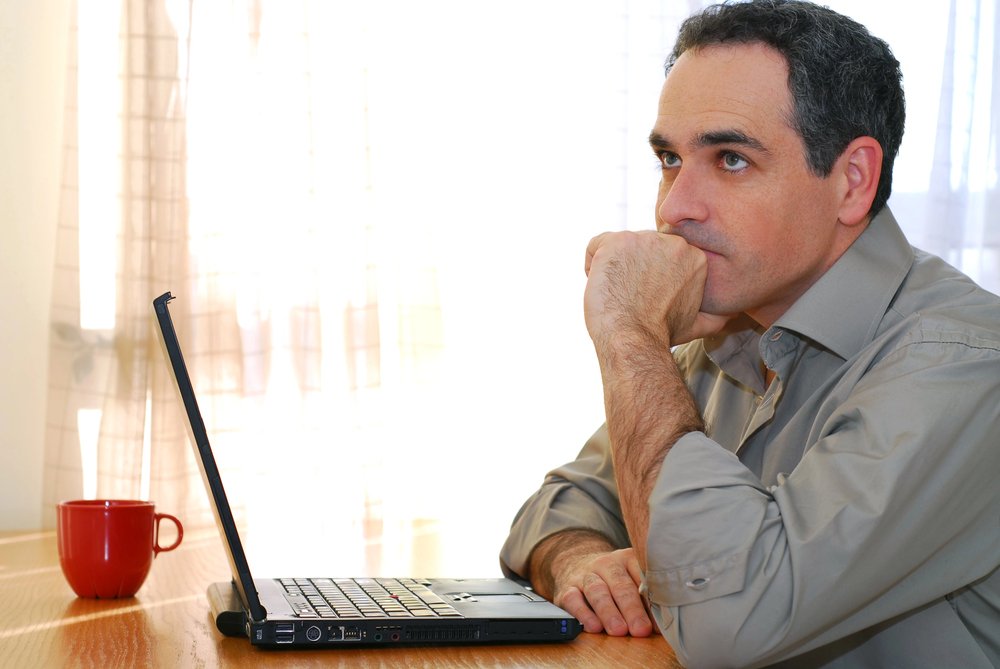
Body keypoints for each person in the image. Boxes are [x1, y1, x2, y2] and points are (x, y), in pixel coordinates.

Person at [499, 1, 1000, 667]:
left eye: (730, 159)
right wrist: (582, 560)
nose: (674, 207)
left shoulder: (960, 363)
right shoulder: (726, 330)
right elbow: (562, 502)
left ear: (852, 181)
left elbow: (725, 624)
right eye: (670, 158)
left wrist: (628, 331)